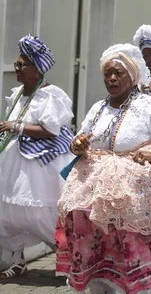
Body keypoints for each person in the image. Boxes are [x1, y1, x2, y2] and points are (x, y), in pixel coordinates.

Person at [55, 44, 151, 294]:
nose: (112, 78)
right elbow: (80, 139)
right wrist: (78, 144)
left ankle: (136, 287)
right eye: (107, 73)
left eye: (118, 73)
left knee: (128, 234)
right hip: (95, 184)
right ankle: (100, 283)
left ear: (132, 75)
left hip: (135, 184)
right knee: (84, 223)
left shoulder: (149, 106)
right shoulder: (98, 108)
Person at [0, 35, 74, 279]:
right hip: (15, 161)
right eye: (17, 65)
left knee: (44, 214)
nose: (18, 70)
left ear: (37, 69)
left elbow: (50, 130)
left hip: (42, 163)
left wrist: (15, 127)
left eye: (22, 65)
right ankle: (17, 260)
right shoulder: (19, 93)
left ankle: (72, 263)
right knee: (9, 212)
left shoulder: (50, 95)